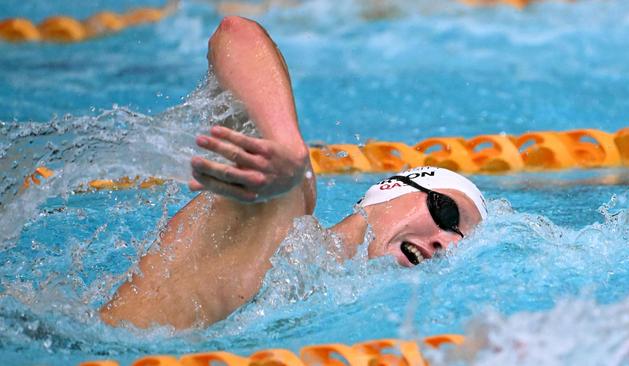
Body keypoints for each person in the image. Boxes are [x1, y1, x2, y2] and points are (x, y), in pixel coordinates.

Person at [99, 16, 486, 329]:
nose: (445, 245)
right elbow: (236, 34)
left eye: (460, 244)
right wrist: (287, 147)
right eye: (446, 213)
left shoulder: (335, 299)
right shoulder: (285, 216)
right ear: (389, 187)